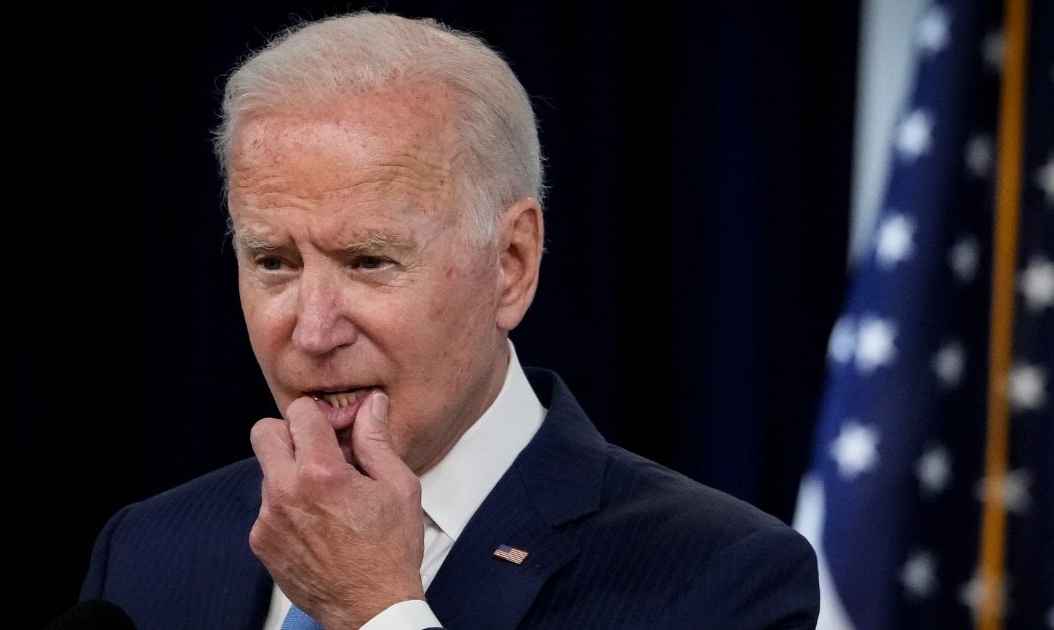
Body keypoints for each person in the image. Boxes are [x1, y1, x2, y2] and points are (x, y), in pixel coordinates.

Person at [78, 11, 820, 630]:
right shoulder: (149, 552)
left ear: (512, 265)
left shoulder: (717, 578)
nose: (312, 331)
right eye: (274, 262)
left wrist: (378, 612)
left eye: (369, 260)